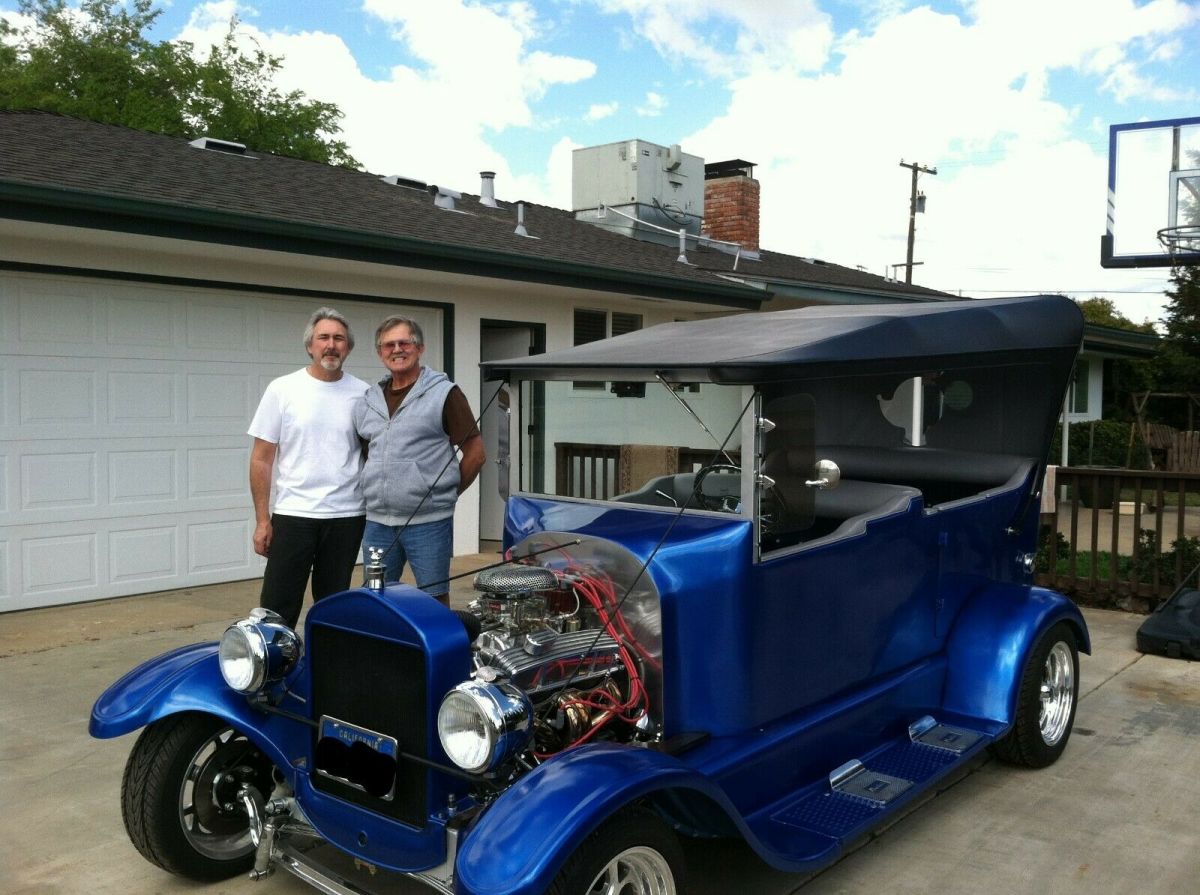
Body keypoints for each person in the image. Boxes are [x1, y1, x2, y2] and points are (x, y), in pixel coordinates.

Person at [247, 307, 368, 628]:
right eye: (323, 337)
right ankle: (273, 670)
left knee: (334, 607)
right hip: (294, 514)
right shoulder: (282, 389)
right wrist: (262, 520)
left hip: (346, 516)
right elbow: (261, 458)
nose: (331, 345)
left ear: (349, 347)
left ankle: (325, 670)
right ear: (310, 346)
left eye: (339, 338)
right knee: (277, 604)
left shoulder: (365, 394)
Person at [354, 315, 485, 604]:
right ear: (380, 352)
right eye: (389, 345)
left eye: (405, 342)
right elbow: (369, 455)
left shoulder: (444, 394)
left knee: (434, 598)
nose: (397, 349)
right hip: (377, 522)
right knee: (377, 598)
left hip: (429, 522)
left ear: (420, 348)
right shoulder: (368, 401)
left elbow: (476, 453)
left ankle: (434, 650)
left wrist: (444, 493)